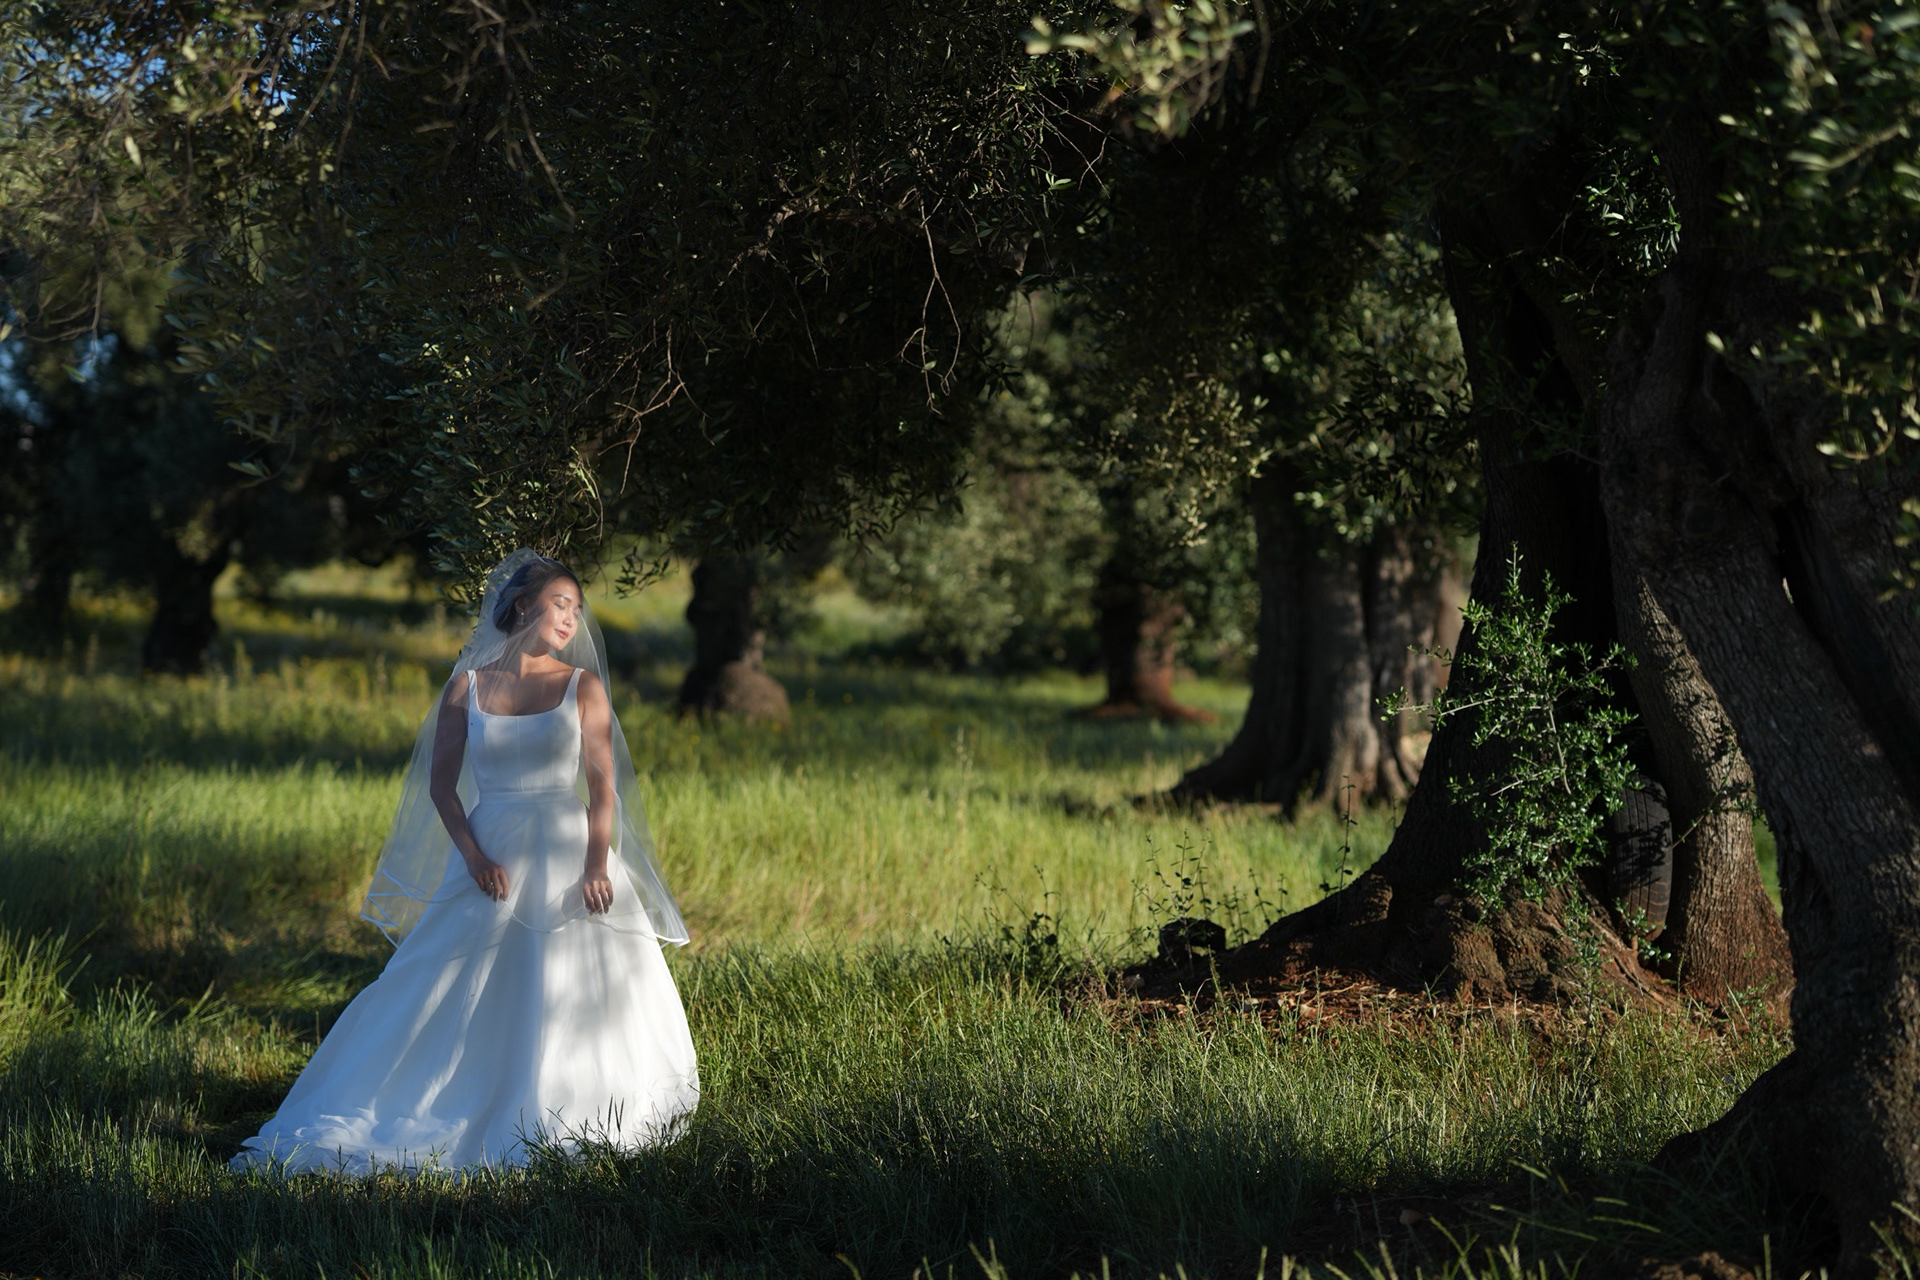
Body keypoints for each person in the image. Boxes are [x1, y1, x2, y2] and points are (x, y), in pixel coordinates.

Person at [231, 550, 697, 1174]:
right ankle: (440, 1092)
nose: (571, 619)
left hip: (566, 847)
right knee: (443, 978)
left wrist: (595, 866)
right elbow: (441, 787)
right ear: (523, 605)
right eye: (560, 605)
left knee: (567, 973)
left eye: (577, 610)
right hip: (491, 846)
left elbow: (602, 786)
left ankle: (568, 1098)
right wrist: (474, 857)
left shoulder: (581, 686)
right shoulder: (467, 687)